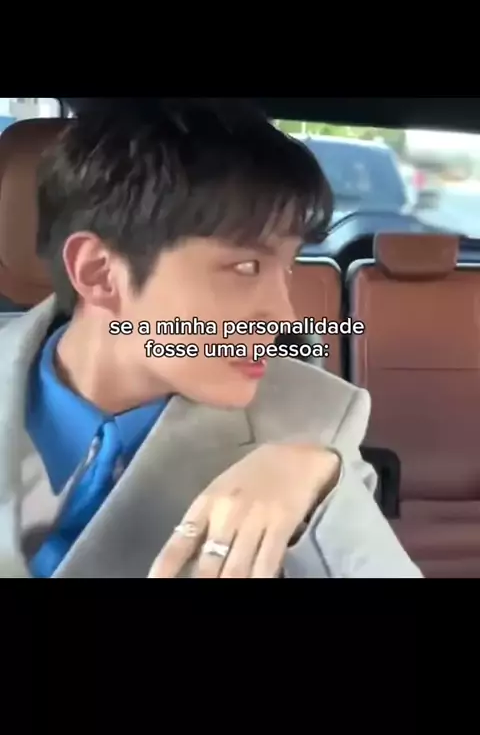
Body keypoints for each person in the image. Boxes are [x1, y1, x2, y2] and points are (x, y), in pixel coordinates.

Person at [0, 99, 422, 578]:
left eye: (287, 266)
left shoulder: (312, 420)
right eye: (246, 266)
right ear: (99, 273)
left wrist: (324, 486)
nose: (283, 315)